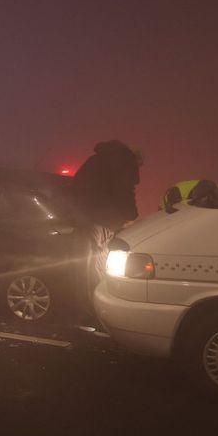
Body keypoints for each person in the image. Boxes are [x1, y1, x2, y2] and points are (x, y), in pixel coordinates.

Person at [70, 140, 143, 331]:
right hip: (102, 220)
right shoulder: (124, 159)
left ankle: (85, 314)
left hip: (84, 219)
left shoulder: (96, 160)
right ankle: (98, 315)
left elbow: (76, 186)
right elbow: (125, 190)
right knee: (99, 266)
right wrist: (131, 217)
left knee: (85, 267)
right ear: (136, 159)